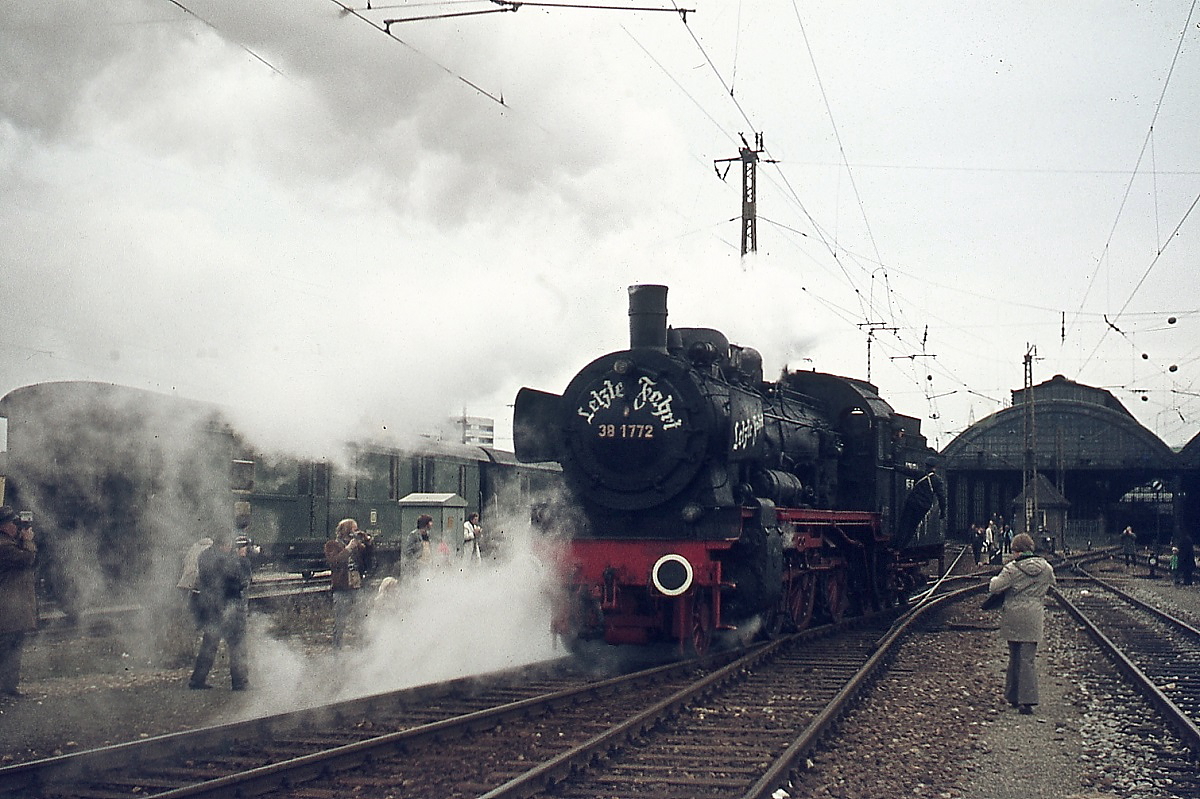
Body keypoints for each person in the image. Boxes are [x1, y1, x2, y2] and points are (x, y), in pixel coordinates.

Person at [987, 532, 1055, 715]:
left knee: (1014, 656)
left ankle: (1013, 696)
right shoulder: (1046, 568)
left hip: (1013, 616)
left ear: (1017, 550)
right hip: (1034, 615)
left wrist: (994, 579)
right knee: (1028, 659)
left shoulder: (1011, 569)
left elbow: (995, 587)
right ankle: (1028, 700)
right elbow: (1051, 585)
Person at [188, 533, 253, 690]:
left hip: (210, 607)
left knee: (209, 644)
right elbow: (241, 580)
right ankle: (240, 682)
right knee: (237, 645)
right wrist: (243, 559)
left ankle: (197, 680)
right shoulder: (228, 560)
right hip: (229, 607)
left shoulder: (204, 556)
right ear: (225, 544)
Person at [0, 507, 38, 698]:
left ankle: (9, 687)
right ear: (4, 526)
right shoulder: (4, 546)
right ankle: (6, 688)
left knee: (13, 647)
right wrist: (28, 541)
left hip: (13, 607)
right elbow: (27, 558)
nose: (16, 527)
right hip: (7, 608)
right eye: (13, 523)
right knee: (8, 648)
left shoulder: (9, 542)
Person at [325, 519, 366, 649]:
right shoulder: (332, 545)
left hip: (356, 586)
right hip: (342, 588)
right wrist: (348, 549)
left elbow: (369, 561)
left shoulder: (357, 546)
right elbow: (334, 562)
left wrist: (368, 544)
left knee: (362, 620)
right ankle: (337, 651)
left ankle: (362, 649)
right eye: (354, 530)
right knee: (340, 623)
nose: (357, 532)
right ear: (347, 531)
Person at [893, 458, 947, 550]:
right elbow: (942, 497)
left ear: (926, 465)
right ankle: (901, 548)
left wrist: (894, 466)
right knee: (913, 527)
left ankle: (896, 545)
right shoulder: (938, 480)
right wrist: (942, 512)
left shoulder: (920, 474)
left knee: (904, 524)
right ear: (935, 467)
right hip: (923, 506)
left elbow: (906, 471)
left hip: (912, 502)